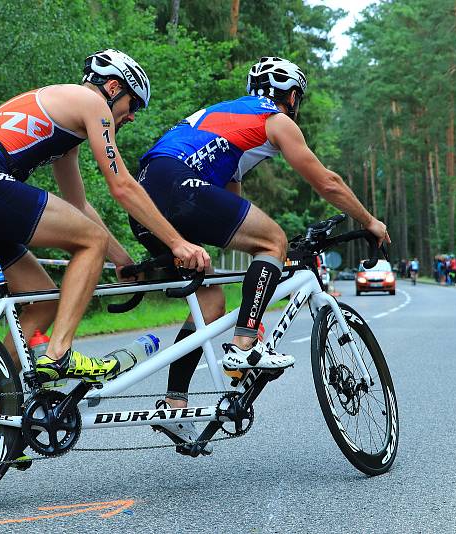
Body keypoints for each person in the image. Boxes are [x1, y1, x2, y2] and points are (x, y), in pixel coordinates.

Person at [0, 50, 210, 462]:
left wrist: (121, 259)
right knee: (88, 244)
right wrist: (178, 244)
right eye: (133, 105)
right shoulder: (92, 103)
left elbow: (79, 209)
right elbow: (123, 187)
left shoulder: (65, 128)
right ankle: (58, 354)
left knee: (41, 300)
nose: (131, 117)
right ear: (114, 88)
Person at [128, 57, 389, 448]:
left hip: (145, 196)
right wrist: (369, 221)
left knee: (210, 301)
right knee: (273, 241)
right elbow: (326, 181)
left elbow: (231, 209)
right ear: (292, 95)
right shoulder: (275, 118)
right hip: (176, 184)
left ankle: (174, 402)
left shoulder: (227, 121)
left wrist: (260, 276)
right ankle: (245, 345)